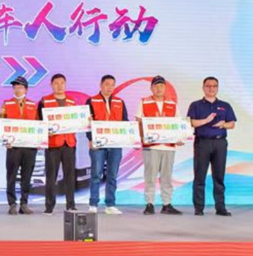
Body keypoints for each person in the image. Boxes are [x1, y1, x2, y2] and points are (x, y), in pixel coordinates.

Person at [187, 76, 236, 216]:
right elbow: (191, 123)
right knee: (199, 176)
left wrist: (223, 124)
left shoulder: (225, 105)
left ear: (217, 88)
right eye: (208, 86)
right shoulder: (196, 105)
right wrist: (206, 120)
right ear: (203, 88)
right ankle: (199, 208)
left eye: (214, 86)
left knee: (219, 176)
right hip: (202, 143)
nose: (211, 88)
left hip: (220, 143)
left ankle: (220, 208)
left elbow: (232, 124)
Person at [136, 75, 182, 215]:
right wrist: (141, 138)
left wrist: (179, 137)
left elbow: (178, 124)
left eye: (161, 85)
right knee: (150, 176)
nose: (159, 88)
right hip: (151, 146)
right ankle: (149, 203)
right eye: (156, 86)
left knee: (167, 176)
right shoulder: (144, 102)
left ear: (165, 88)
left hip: (168, 146)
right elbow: (139, 122)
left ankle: (166, 204)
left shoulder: (172, 104)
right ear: (151, 88)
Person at [85, 75, 129, 215]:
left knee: (112, 175)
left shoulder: (119, 102)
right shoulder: (91, 101)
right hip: (98, 144)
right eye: (107, 84)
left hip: (115, 143)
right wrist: (90, 139)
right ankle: (93, 204)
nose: (109, 87)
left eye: (112, 85)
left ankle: (110, 204)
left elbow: (125, 121)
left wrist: (129, 137)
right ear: (101, 85)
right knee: (96, 174)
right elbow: (87, 122)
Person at [37, 73, 77, 216]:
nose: (59, 86)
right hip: (53, 143)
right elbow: (39, 122)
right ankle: (49, 206)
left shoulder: (72, 102)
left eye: (62, 83)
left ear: (65, 84)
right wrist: (42, 136)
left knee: (70, 176)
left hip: (69, 142)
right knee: (51, 176)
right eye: (56, 83)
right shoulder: (45, 101)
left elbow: (77, 121)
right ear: (51, 85)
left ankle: (71, 205)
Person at [0, 76, 38, 215]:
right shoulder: (6, 104)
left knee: (27, 176)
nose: (17, 90)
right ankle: (12, 204)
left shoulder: (34, 105)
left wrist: (39, 141)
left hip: (29, 147)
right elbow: (1, 123)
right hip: (13, 147)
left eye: (20, 87)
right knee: (11, 176)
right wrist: (5, 141)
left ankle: (24, 203)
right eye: (15, 87)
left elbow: (38, 125)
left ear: (26, 89)